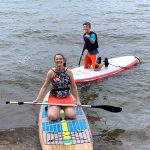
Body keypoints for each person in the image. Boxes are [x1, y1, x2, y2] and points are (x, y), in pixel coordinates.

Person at [32, 53, 81, 120]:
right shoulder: (51, 72)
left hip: (66, 97)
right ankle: (50, 107)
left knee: (72, 116)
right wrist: (37, 99)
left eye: (60, 59)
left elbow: (74, 87)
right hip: (54, 97)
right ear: (54, 61)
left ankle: (64, 108)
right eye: (57, 59)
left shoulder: (68, 72)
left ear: (63, 60)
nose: (58, 60)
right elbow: (44, 87)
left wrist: (78, 100)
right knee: (52, 117)